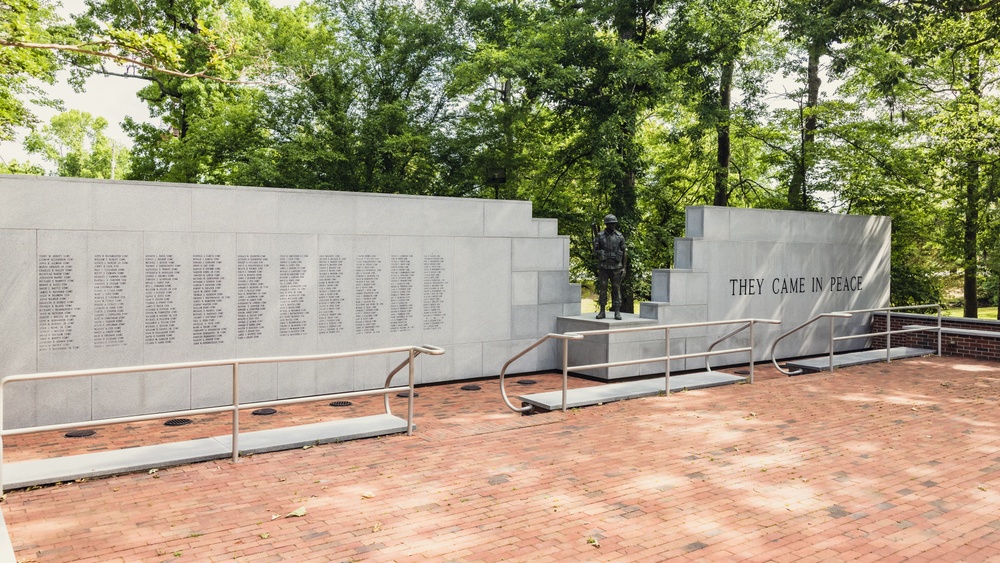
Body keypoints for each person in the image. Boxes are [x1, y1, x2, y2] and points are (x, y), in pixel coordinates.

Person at [593, 214, 626, 320]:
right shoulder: (600, 236)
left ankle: (617, 311)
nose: (612, 225)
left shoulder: (620, 236)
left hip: (616, 266)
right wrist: (596, 248)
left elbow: (625, 252)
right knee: (603, 288)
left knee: (616, 288)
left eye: (614, 223)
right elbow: (595, 253)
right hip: (604, 266)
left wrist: (624, 268)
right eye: (610, 224)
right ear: (606, 224)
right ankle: (602, 311)